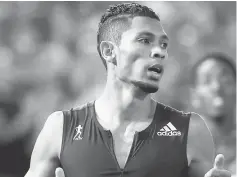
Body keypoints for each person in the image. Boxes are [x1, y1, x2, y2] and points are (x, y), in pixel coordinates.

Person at [25, 3, 232, 177]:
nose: (159, 51)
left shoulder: (190, 130)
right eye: (145, 40)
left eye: (164, 44)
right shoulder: (60, 128)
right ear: (109, 51)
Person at [189, 53, 236, 175]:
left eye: (225, 80)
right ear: (194, 96)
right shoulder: (179, 149)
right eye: (207, 81)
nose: (217, 87)